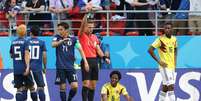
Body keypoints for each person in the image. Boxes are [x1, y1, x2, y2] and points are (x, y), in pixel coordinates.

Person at [52, 22, 89, 101]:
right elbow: (53, 45)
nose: (59, 31)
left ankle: (69, 98)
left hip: (70, 67)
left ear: (66, 30)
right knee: (63, 87)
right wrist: (62, 41)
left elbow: (80, 50)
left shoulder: (73, 39)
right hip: (60, 66)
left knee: (75, 86)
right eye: (58, 30)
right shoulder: (57, 37)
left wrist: (85, 62)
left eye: (61, 29)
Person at [78, 13, 110, 101]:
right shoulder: (82, 35)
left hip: (95, 62)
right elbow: (82, 25)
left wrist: (104, 58)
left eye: (92, 27)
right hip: (86, 61)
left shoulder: (95, 37)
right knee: (86, 83)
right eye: (89, 27)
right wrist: (86, 16)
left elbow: (98, 49)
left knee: (93, 85)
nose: (91, 29)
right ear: (85, 27)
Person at [148, 22, 177, 101]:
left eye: (169, 28)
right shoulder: (160, 39)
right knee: (171, 86)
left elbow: (175, 50)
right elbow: (150, 50)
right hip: (164, 66)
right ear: (164, 29)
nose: (167, 30)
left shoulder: (174, 39)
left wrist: (175, 64)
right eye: (166, 28)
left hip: (172, 66)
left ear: (172, 29)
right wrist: (159, 61)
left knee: (165, 87)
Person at [9, 24, 38, 101]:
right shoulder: (25, 42)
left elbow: (11, 55)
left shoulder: (13, 42)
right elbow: (26, 55)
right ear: (25, 32)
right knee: (32, 87)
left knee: (19, 89)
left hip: (16, 69)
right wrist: (28, 67)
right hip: (24, 68)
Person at [25, 25, 47, 101]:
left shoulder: (26, 42)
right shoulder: (42, 42)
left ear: (30, 33)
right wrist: (45, 67)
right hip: (37, 67)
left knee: (31, 88)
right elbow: (44, 56)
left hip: (28, 67)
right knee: (40, 87)